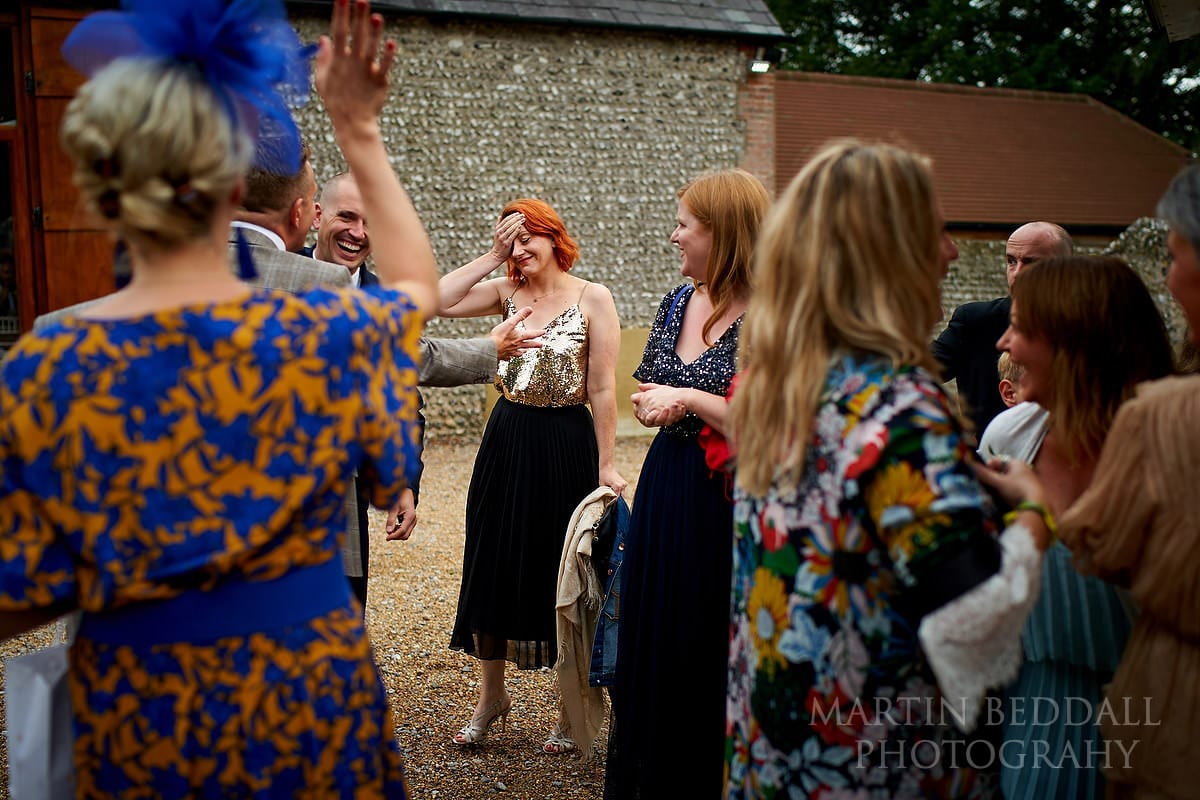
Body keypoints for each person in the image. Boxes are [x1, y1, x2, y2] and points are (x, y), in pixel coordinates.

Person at [0, 0, 436, 795]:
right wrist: (358, 128)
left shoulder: (50, 364)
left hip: (145, 712)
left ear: (101, 188)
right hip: (309, 700)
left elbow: (20, 590)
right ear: (235, 183)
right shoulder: (324, 328)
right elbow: (416, 291)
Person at [726, 140, 1055, 799]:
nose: (952, 253)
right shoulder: (900, 407)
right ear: (891, 252)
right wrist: (1031, 515)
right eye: (938, 232)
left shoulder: (787, 385)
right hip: (876, 766)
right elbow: (970, 614)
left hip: (779, 758)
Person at [1024, 163, 1200, 800]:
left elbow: (1103, 550)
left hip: (1163, 722)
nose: (1169, 280)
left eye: (1176, 258)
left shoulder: (1165, 420)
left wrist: (1033, 506)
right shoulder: (1013, 434)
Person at [979, 256, 1173, 799]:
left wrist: (1038, 509)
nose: (1003, 344)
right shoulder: (1008, 437)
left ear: (1071, 340)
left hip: (1145, 725)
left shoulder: (1168, 446)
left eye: (1019, 328)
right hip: (1029, 718)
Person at [438, 197, 626, 750]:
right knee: (492, 560)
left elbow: (603, 389)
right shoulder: (503, 291)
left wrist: (607, 464)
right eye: (510, 240)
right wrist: (491, 257)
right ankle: (491, 697)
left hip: (566, 441)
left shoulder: (593, 297)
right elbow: (437, 301)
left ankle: (570, 709)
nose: (519, 249)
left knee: (564, 572)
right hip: (507, 436)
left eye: (526, 237)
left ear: (553, 236)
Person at [303, 168, 543, 600]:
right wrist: (488, 350)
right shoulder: (277, 274)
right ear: (317, 216)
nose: (358, 233)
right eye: (347, 217)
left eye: (370, 223)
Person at [604, 168, 768, 795]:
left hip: (728, 496)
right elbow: (654, 385)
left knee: (707, 630)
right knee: (657, 626)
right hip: (669, 481)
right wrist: (658, 405)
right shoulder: (676, 302)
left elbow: (766, 420)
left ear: (723, 235)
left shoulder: (772, 316)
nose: (674, 237)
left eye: (684, 226)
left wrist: (690, 399)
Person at [933, 221, 1073, 437]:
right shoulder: (976, 322)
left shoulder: (1090, 326)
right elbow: (914, 370)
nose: (1017, 273)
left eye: (1031, 262)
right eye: (1011, 261)